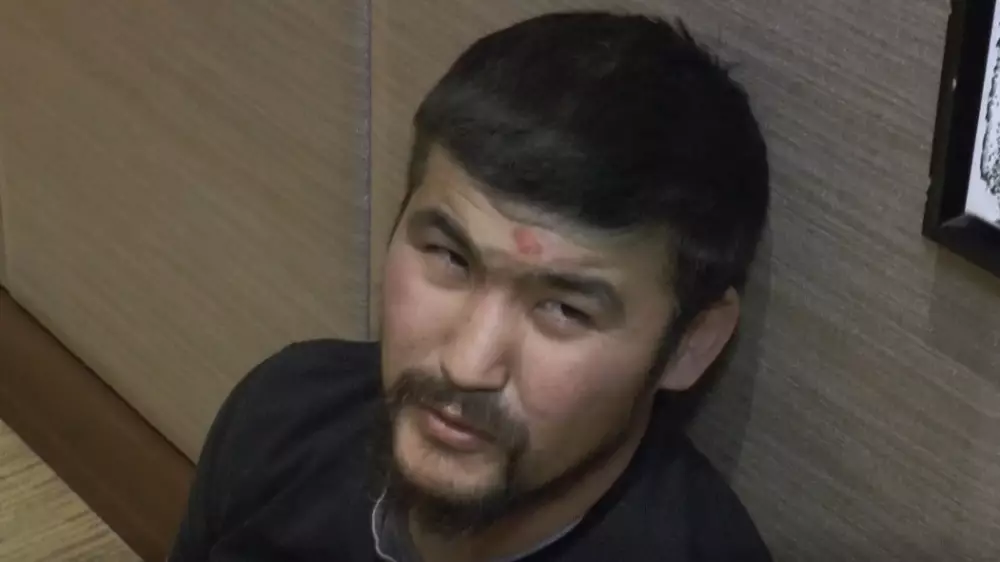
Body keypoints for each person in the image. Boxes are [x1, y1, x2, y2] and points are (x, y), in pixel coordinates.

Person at [168, 10, 772, 562]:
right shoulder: (284, 417)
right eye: (450, 257)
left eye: (564, 309)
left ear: (691, 342)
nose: (467, 364)